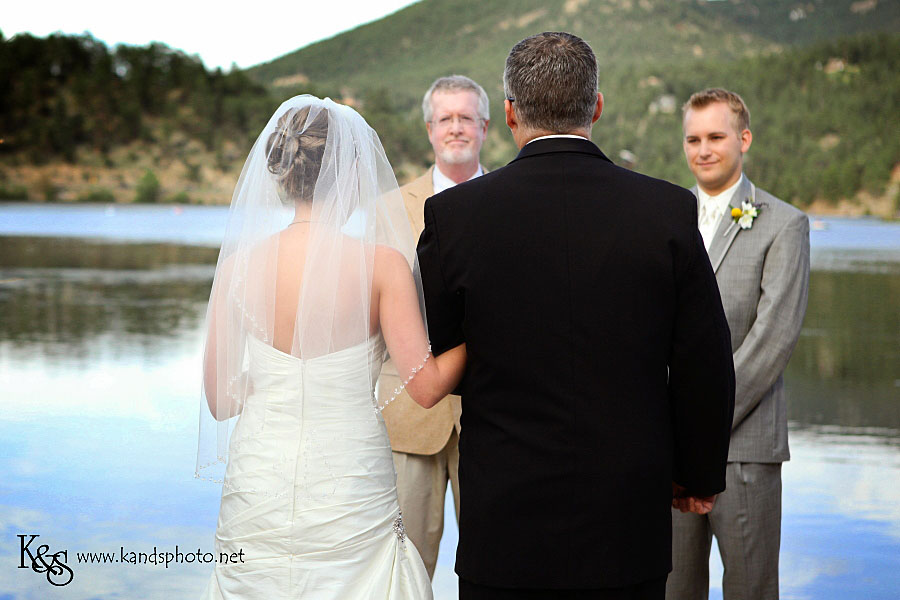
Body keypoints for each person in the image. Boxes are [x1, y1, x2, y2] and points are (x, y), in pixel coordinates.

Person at [416, 32, 735, 599]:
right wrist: (699, 474)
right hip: (626, 516)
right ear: (597, 106)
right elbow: (703, 360)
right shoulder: (665, 210)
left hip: (504, 517)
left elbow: (448, 349)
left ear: (509, 112)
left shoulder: (452, 216)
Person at [195, 95, 466, 599]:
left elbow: (218, 401)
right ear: (348, 174)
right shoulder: (382, 265)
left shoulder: (239, 267)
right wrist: (480, 334)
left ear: (279, 172)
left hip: (261, 477)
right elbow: (427, 388)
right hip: (350, 476)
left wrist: (270, 381)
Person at [667, 88, 810, 600]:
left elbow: (773, 339)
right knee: (672, 589)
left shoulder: (783, 223)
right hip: (670, 453)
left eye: (716, 137)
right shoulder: (664, 217)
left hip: (744, 448)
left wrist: (699, 422)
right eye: (693, 139)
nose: (703, 149)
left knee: (750, 589)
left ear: (743, 139)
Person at [377, 74, 490, 579]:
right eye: (445, 118)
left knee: (494, 561)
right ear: (429, 128)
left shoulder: (511, 199)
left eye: (466, 117)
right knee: (405, 565)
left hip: (492, 415)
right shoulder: (388, 208)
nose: (456, 128)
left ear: (486, 126)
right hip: (406, 413)